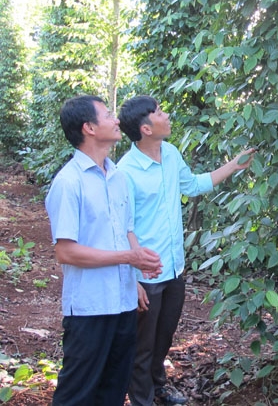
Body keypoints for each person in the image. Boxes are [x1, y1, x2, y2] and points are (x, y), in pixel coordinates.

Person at [117, 95, 255, 406]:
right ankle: (142, 399)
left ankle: (158, 388)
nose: (166, 115)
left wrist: (236, 164)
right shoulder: (126, 171)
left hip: (174, 267)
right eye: (159, 112)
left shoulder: (171, 154)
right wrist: (131, 278)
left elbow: (193, 185)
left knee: (163, 337)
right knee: (143, 344)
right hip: (145, 273)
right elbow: (121, 228)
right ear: (146, 128)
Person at [45, 95, 163, 406]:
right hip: (89, 309)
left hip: (122, 303)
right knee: (77, 394)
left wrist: (137, 271)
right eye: (108, 115)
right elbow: (66, 252)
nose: (116, 120)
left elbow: (125, 231)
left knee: (113, 390)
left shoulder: (118, 177)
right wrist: (128, 258)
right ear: (89, 128)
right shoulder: (68, 183)